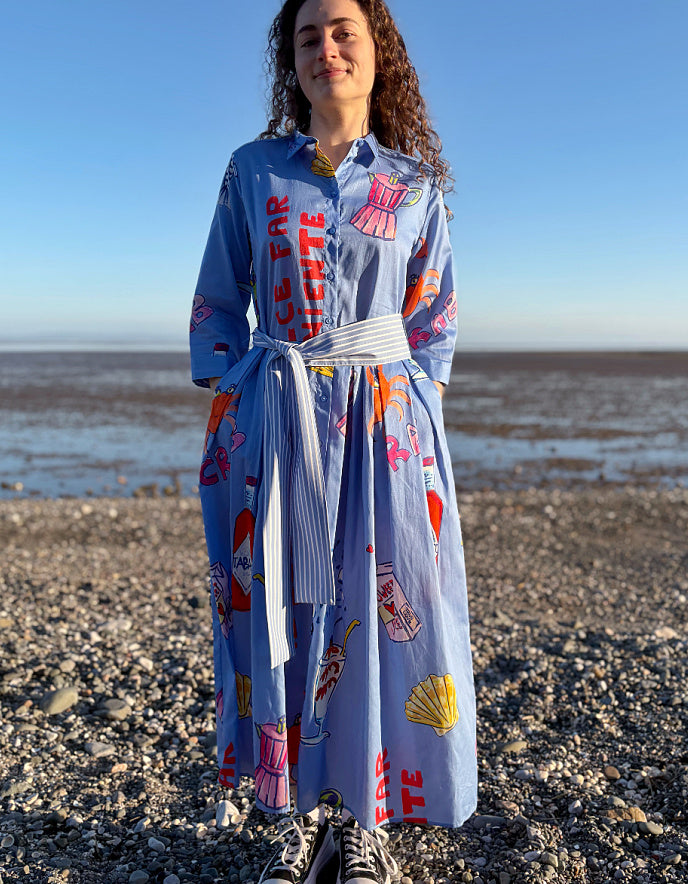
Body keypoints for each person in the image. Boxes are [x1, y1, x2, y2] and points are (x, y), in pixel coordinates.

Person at [189, 0, 477, 881]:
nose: (327, 49)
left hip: (386, 440)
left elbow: (433, 322)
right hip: (281, 431)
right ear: (294, 60)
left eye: (343, 30)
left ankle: (368, 819)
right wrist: (241, 397)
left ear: (375, 49)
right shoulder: (254, 170)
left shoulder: (414, 185)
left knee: (386, 617)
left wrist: (412, 411)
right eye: (308, 36)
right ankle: (292, 814)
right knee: (285, 613)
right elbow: (216, 304)